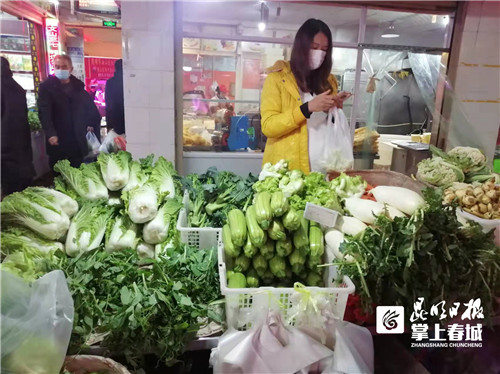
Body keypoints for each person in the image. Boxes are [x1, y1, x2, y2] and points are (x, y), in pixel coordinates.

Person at [260, 19, 352, 173]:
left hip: (325, 168)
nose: (320, 54)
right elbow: (269, 127)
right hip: (290, 173)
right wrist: (307, 108)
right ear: (301, 46)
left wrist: (333, 107)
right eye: (314, 47)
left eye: (324, 49)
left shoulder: (329, 81)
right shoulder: (277, 79)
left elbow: (327, 124)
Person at [38, 54, 101, 169]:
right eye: (57, 67)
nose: (60, 70)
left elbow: (91, 110)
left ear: (71, 69)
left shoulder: (78, 88)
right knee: (60, 173)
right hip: (58, 139)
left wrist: (90, 124)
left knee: (77, 171)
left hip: (77, 139)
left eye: (64, 67)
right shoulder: (46, 88)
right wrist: (51, 133)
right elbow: (44, 112)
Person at [1, 57, 35, 195]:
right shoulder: (16, 87)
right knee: (22, 185)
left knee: (10, 187)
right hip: (21, 144)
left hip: (5, 147)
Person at [105, 59, 125, 134]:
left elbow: (108, 104)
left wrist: (109, 124)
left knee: (118, 143)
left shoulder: (110, 82)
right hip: (130, 118)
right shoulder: (129, 81)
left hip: (116, 120)